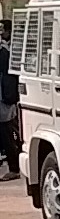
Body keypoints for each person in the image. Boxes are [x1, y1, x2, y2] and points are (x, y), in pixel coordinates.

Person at [0, 19, 22, 182]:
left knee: (7, 131)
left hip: (5, 98)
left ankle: (14, 167)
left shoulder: (6, 52)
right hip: (6, 97)